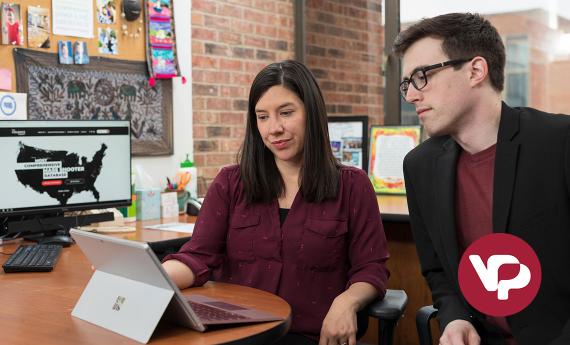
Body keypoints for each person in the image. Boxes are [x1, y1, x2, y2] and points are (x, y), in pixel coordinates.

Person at [162, 60, 389, 345]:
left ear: (312, 113)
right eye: (262, 117)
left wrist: (347, 302)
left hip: (310, 335)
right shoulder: (230, 183)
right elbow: (198, 257)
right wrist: (152, 280)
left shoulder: (352, 186)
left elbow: (371, 269)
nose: (274, 129)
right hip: (238, 334)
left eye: (286, 113)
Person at [394, 12, 570, 345]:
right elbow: (438, 273)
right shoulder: (420, 166)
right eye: (407, 85)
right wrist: (455, 317)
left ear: (476, 70)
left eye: (421, 77)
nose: (412, 95)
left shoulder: (560, 143)